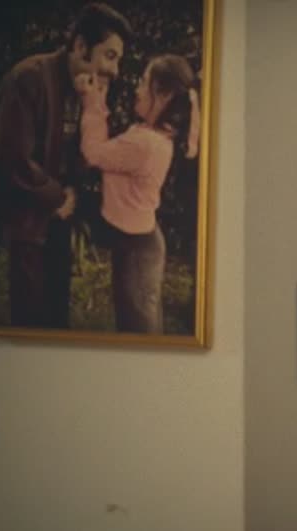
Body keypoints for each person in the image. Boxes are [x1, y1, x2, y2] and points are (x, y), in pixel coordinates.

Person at [0, 3, 131, 328]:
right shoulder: (29, 78)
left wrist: (93, 105)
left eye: (118, 60)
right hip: (28, 220)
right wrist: (58, 197)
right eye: (110, 56)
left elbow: (83, 155)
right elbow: (12, 157)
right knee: (30, 319)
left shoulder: (85, 88)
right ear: (81, 46)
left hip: (61, 219)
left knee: (57, 314)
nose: (115, 71)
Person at [75, 54, 199, 333]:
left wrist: (92, 102)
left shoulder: (145, 143)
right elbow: (109, 152)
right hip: (137, 242)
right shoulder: (153, 135)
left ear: (164, 95)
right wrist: (99, 101)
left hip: (136, 249)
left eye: (144, 82)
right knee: (138, 323)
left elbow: (93, 153)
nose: (137, 89)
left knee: (138, 330)